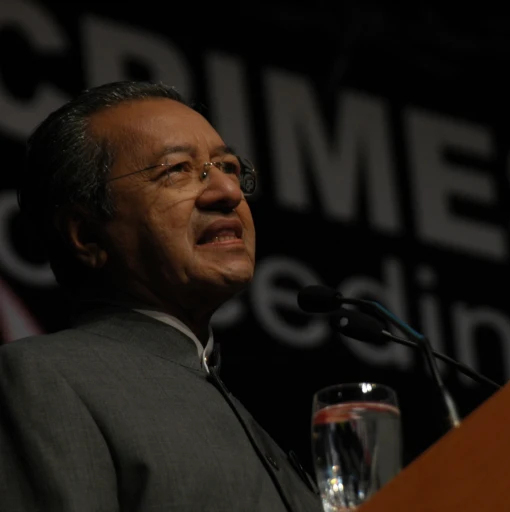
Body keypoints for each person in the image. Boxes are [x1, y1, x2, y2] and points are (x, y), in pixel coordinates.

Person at [0, 81, 321, 511]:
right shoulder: (44, 377)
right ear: (87, 234)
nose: (228, 192)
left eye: (227, 166)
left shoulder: (227, 398)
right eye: (177, 170)